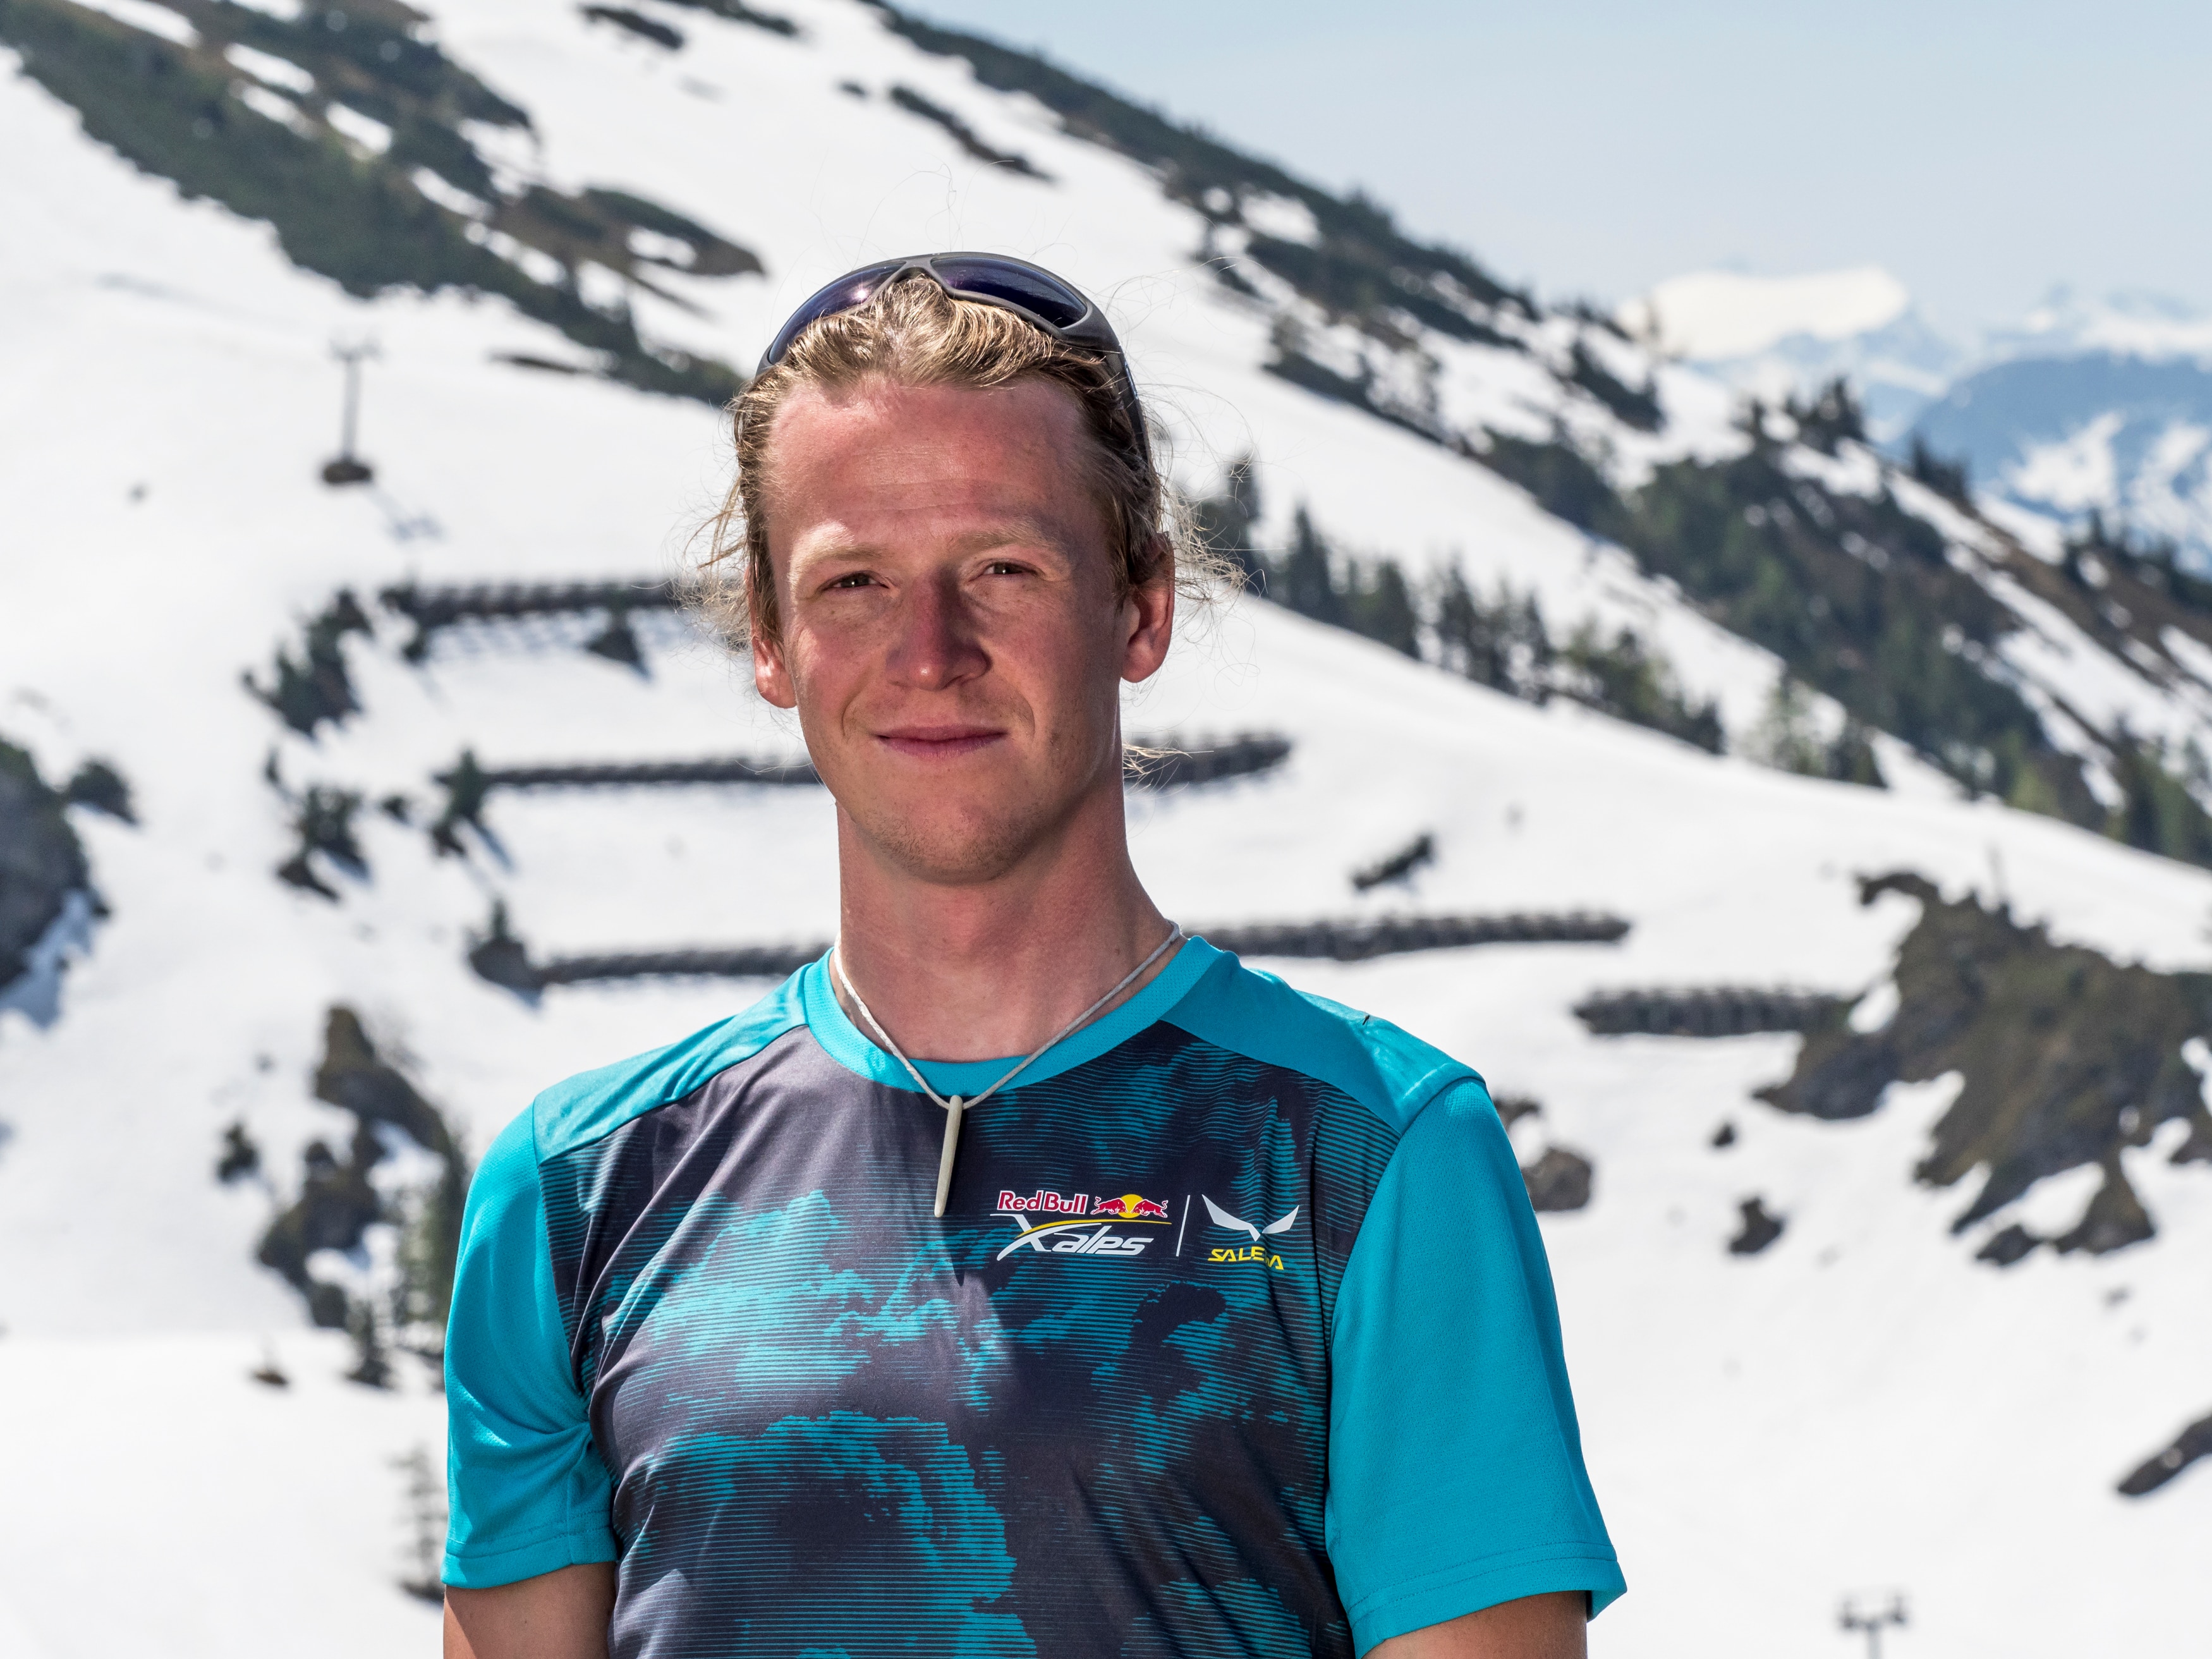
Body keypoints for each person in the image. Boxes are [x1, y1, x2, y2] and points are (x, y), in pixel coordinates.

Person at [440, 255, 1623, 1659]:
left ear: (1139, 607)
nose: (928, 649)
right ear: (768, 635)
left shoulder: (1372, 1154)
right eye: (855, 581)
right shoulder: (576, 1188)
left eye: (1001, 567)